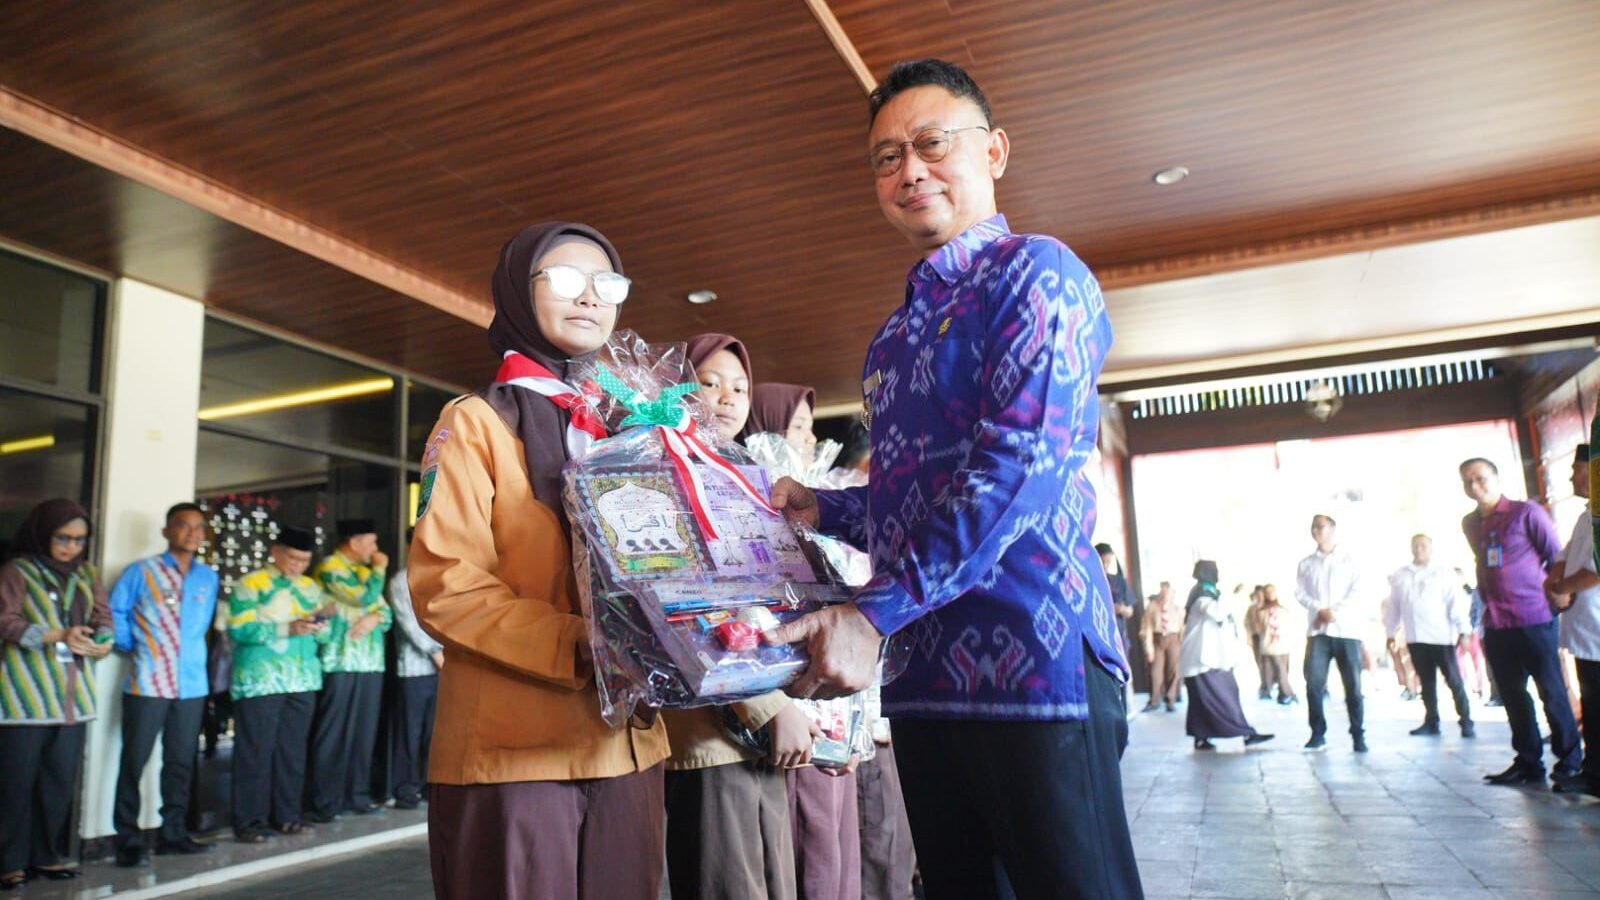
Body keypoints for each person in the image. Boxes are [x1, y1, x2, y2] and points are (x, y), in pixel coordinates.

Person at [764, 59, 1142, 899]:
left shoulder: (1036, 272)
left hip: (1034, 667)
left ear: (994, 150)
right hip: (922, 680)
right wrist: (822, 506)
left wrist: (873, 614)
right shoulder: (893, 337)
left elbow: (1022, 467)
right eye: (887, 157)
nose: (910, 171)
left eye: (932, 144)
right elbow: (909, 502)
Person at [409, 222, 669, 900]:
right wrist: (584, 642)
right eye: (565, 279)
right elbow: (445, 585)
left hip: (626, 744)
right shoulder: (475, 421)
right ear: (517, 292)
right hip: (512, 751)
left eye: (606, 283)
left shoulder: (632, 429)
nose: (589, 297)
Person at [662, 333, 807, 900]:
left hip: (763, 727)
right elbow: (682, 604)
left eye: (741, 387)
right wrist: (768, 705)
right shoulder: (666, 468)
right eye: (710, 382)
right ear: (679, 388)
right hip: (711, 734)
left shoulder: (738, 474)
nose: (727, 397)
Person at [747, 381, 863, 900]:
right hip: (788, 709)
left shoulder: (810, 503)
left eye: (812, 428)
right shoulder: (756, 504)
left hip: (833, 714)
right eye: (798, 427)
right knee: (806, 857)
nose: (811, 439)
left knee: (837, 859)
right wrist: (773, 706)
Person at [0, 499, 112, 888]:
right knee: (15, 783)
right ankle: (8, 862)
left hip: (72, 697)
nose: (71, 547)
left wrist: (102, 642)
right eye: (63, 538)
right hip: (25, 696)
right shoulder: (17, 571)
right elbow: (5, 621)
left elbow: (102, 617)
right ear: (43, 533)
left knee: (58, 781)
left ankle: (47, 856)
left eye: (79, 540)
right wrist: (57, 635)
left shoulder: (86, 574)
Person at [109, 502, 220, 867]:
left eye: (199, 527)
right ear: (167, 531)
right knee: (134, 761)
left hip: (191, 685)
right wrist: (133, 646)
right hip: (148, 683)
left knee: (180, 763)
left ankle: (173, 833)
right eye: (184, 525)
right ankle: (127, 839)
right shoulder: (142, 571)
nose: (193, 533)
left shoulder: (207, 578)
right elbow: (115, 612)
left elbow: (203, 627)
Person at [1460, 457, 1581, 786]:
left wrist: (1558, 597)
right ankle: (1528, 762)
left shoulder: (1526, 512)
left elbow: (1555, 556)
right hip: (1496, 623)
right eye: (1468, 481)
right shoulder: (1470, 523)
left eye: (1481, 478)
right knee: (1513, 696)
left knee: (1551, 692)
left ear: (1496, 478)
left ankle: (1571, 762)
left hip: (1534, 617)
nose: (1475, 486)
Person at [227, 526, 330, 842]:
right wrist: (287, 628)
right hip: (260, 680)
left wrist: (320, 626)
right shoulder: (250, 584)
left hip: (302, 679)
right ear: (275, 552)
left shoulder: (312, 588)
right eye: (293, 558)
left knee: (292, 752)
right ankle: (250, 822)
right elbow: (239, 629)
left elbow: (327, 633)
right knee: (256, 753)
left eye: (305, 560)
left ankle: (287, 817)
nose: (298, 566)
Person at [306, 519, 391, 821]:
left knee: (363, 732)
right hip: (340, 660)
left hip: (370, 661)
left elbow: (386, 612)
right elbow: (361, 598)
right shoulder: (330, 568)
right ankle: (326, 800)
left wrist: (374, 619)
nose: (375, 550)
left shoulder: (365, 573)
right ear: (354, 542)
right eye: (371, 543)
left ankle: (357, 794)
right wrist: (380, 570)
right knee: (334, 732)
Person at [1544, 444, 1600, 796]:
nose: (1571, 478)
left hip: (1597, 627)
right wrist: (1555, 584)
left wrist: (1563, 588)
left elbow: (1596, 570)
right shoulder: (1586, 516)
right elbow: (1563, 557)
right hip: (1585, 631)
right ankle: (1593, 772)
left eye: (1576, 469)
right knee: (1592, 706)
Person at [1385, 534, 1474, 738]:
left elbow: (1456, 603)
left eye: (1423, 545)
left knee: (1453, 680)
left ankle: (1466, 720)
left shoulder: (1443, 573)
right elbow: (1393, 607)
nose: (1419, 548)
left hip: (1441, 637)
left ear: (1431, 548)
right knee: (1426, 682)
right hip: (1416, 637)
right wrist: (1390, 632)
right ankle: (1431, 721)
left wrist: (1464, 630)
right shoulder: (1401, 575)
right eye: (1415, 545)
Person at [1179, 561, 1273, 751]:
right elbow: (1218, 613)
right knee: (1224, 697)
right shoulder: (1201, 594)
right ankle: (1246, 733)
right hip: (1203, 661)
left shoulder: (1209, 594)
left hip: (1207, 660)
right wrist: (1234, 594)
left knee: (1203, 701)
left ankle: (1201, 737)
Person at [1296, 514, 1369, 753]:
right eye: (1313, 526)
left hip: (1347, 631)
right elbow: (1300, 593)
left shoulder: (1349, 561)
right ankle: (1317, 733)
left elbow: (1357, 590)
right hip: (1318, 632)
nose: (1317, 530)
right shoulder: (1306, 564)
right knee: (1314, 684)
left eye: (1321, 526)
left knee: (1353, 686)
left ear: (1333, 529)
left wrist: (1334, 611)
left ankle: (1358, 734)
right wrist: (1320, 609)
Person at [386, 541, 441, 811]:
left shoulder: (441, 577)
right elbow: (410, 624)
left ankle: (430, 786)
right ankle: (404, 789)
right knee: (410, 731)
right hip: (414, 669)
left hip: (445, 667)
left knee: (435, 731)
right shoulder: (401, 580)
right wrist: (436, 652)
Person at [1140, 582, 1184, 712]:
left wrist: (1183, 645)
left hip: (1173, 638)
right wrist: (1148, 648)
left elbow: (1182, 627)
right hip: (1157, 638)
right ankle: (1154, 700)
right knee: (1155, 670)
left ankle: (1170, 699)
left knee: (1173, 669)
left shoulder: (1178, 608)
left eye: (1168, 591)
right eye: (1163, 591)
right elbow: (1146, 628)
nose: (1165, 594)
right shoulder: (1152, 607)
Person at [1256, 585, 1298, 705]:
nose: (1270, 594)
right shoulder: (1261, 611)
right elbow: (1259, 628)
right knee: (1279, 671)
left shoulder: (1283, 610)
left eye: (1272, 591)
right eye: (1267, 592)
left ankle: (1283, 694)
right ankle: (1288, 694)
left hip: (1283, 645)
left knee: (1283, 670)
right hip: (1270, 646)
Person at [1098, 544, 1137, 663]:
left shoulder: (1119, 581)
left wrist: (1121, 609)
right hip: (1100, 636)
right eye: (1102, 561)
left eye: (1108, 561)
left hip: (1120, 635)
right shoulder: (1091, 581)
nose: (1105, 565)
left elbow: (1130, 611)